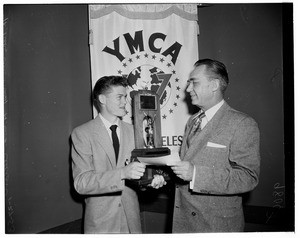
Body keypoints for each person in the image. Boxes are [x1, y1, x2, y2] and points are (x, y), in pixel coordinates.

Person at [170, 59, 260, 232]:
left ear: (214, 85)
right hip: (183, 223)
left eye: (193, 82)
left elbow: (248, 177)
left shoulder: (242, 123)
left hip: (215, 227)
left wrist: (196, 174)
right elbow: (186, 165)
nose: (188, 89)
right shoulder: (193, 121)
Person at [71, 75, 165, 233]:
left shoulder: (135, 131)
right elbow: (81, 183)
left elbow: (140, 176)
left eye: (125, 97)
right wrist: (122, 173)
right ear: (102, 99)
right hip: (101, 225)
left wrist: (152, 181)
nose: (125, 102)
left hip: (131, 223)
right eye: (119, 97)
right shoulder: (82, 133)